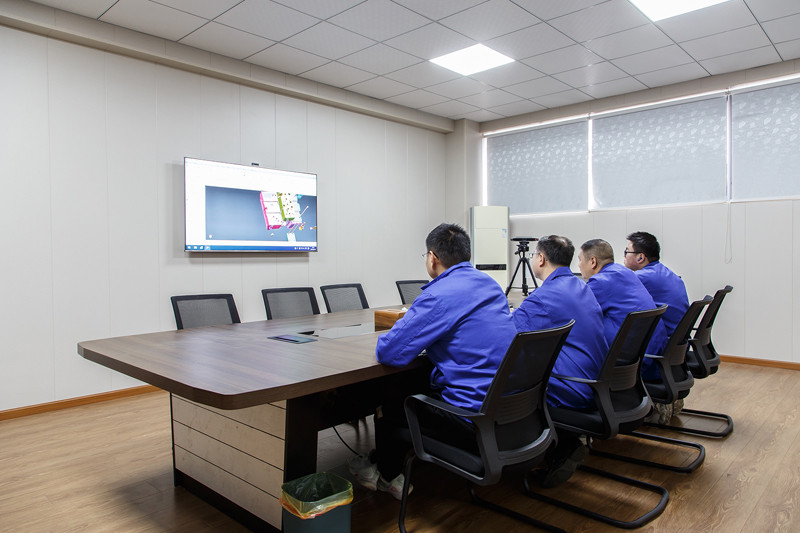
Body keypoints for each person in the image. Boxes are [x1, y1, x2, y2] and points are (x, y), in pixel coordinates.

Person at [348, 223, 517, 500]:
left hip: (469, 417)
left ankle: (387, 475)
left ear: (432, 257)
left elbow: (389, 352)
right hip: (507, 409)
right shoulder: (490, 285)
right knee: (413, 381)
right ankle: (386, 464)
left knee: (391, 393)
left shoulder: (439, 294)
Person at [512, 235, 608, 487]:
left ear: (541, 259)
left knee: (510, 382)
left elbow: (507, 335)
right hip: (597, 384)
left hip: (574, 389)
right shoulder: (581, 287)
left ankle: (550, 448)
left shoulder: (543, 298)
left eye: (534, 254)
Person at [577, 238, 668, 381]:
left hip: (632, 367)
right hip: (651, 357)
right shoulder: (625, 272)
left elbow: (576, 312)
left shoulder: (600, 281)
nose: (579, 265)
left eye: (580, 259)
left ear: (593, 261)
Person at [623, 231, 690, 421]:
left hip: (660, 352)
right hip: (675, 352)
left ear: (640, 257)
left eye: (626, 252)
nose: (624, 256)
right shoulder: (666, 273)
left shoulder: (642, 278)